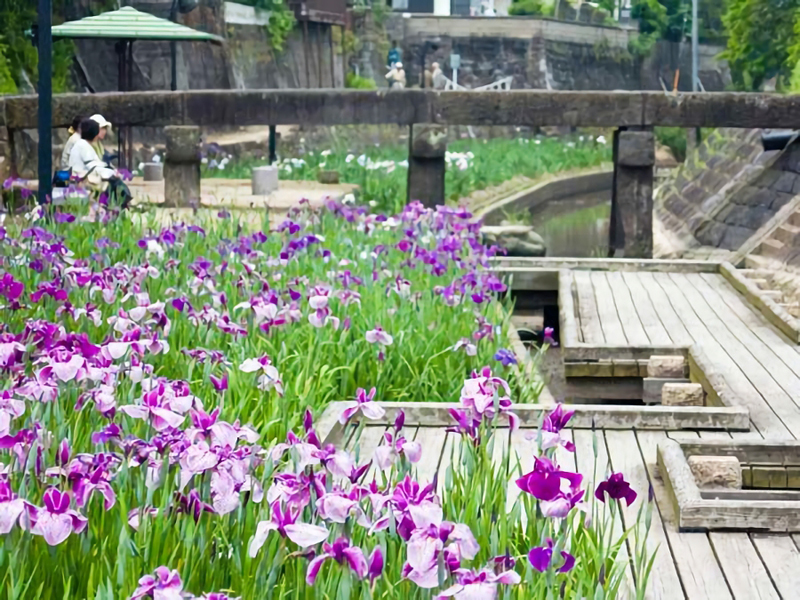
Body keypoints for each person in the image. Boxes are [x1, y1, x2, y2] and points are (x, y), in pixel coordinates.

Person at [68, 118, 132, 209]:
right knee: (115, 183)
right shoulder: (83, 146)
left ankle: (116, 207)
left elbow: (94, 164)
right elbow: (93, 166)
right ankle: (116, 207)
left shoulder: (83, 145)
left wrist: (110, 171)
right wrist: (111, 173)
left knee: (114, 182)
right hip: (82, 180)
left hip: (85, 176)